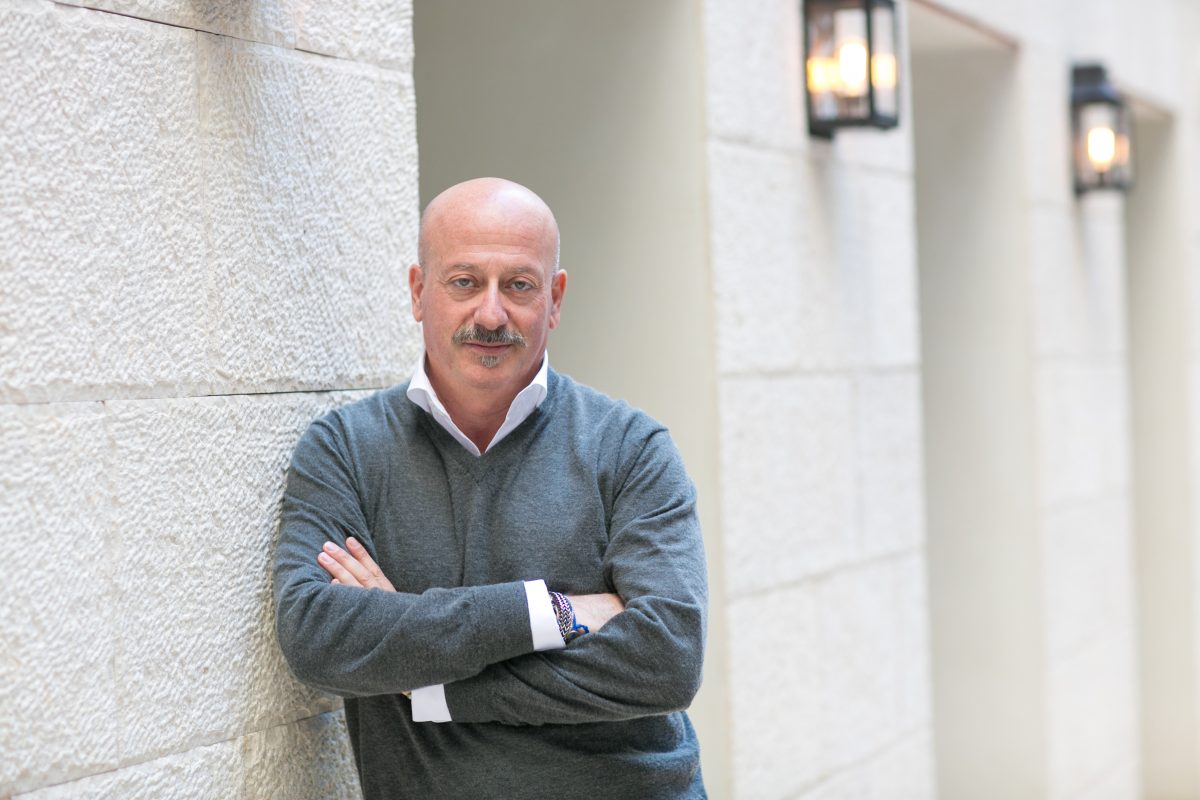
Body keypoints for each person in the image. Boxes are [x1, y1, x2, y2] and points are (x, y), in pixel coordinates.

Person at [273, 177, 708, 799]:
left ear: (554, 299)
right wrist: (547, 612)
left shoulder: (631, 448)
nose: (491, 314)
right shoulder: (345, 451)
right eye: (465, 282)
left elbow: (667, 660)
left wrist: (432, 685)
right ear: (419, 291)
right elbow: (318, 638)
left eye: (520, 285)